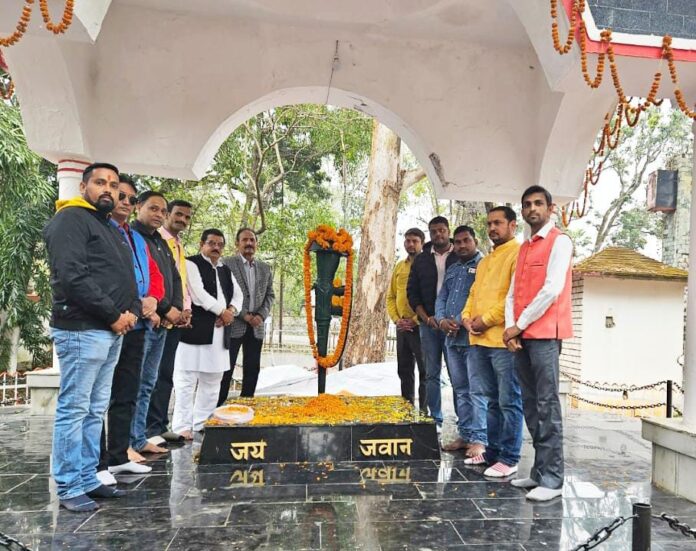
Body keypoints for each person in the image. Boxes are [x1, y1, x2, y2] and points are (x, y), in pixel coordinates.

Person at [44, 162, 140, 511]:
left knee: (94, 409)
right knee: (75, 408)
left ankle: (87, 477)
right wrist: (115, 315)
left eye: (114, 185)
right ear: (84, 186)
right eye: (100, 182)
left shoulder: (107, 225)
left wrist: (130, 311)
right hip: (83, 329)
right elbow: (72, 277)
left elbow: (124, 276)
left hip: (110, 330)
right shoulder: (71, 219)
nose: (108, 190)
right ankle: (69, 485)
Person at [503, 185, 573, 502]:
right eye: (527, 204)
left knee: (548, 406)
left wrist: (518, 325)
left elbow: (551, 290)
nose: (532, 209)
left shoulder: (561, 242)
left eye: (538, 203)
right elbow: (512, 293)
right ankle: (539, 474)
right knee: (530, 405)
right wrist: (510, 329)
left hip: (545, 335)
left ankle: (554, 479)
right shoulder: (523, 247)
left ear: (550, 208)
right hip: (522, 336)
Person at [96, 175, 165, 484]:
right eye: (120, 195)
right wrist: (130, 306)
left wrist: (153, 300)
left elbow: (153, 274)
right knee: (99, 396)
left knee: (127, 390)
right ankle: (97, 464)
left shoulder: (135, 238)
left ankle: (119, 456)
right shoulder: (101, 230)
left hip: (137, 323)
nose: (124, 201)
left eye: (129, 198)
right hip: (109, 321)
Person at [461, 206, 523, 478]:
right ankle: (493, 451)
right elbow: (473, 294)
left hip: (502, 340)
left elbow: (513, 296)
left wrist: (485, 320)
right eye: (489, 224)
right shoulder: (485, 261)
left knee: (509, 400)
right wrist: (465, 318)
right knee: (491, 400)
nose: (492, 228)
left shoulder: (519, 253)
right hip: (477, 340)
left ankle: (510, 458)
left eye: (498, 223)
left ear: (512, 225)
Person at [172, 229, 243, 437]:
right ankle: (181, 427)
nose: (216, 247)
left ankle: (202, 422)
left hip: (219, 333)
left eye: (220, 244)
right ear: (202, 243)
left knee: (213, 381)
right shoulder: (191, 263)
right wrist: (221, 311)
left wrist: (230, 311)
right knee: (186, 382)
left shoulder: (225, 269)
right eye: (212, 243)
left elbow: (238, 296)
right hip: (195, 331)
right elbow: (197, 294)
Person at [130, 191, 184, 455]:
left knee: (149, 382)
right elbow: (138, 278)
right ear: (137, 206)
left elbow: (172, 277)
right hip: (143, 321)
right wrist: (165, 308)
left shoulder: (160, 241)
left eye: (162, 211)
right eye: (153, 209)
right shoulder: (132, 237)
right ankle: (127, 442)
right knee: (135, 382)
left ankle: (138, 438)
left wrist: (175, 309)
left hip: (163, 322)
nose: (158, 215)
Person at [146, 199, 193, 446]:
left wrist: (185, 310)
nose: (182, 220)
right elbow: (157, 280)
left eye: (186, 217)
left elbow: (179, 281)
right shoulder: (156, 241)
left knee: (165, 375)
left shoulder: (176, 244)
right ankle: (147, 430)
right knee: (150, 376)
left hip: (175, 318)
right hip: (157, 316)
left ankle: (159, 425)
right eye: (177, 214)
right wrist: (167, 309)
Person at [407, 216, 458, 427]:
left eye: (442, 230)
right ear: (430, 233)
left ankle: (462, 421)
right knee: (431, 374)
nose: (439, 234)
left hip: (455, 326)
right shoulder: (421, 260)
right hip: (429, 326)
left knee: (458, 376)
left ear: (448, 231)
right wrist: (426, 318)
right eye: (434, 231)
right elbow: (412, 293)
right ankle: (436, 419)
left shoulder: (460, 254)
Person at [435, 225, 482, 450]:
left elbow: (485, 299)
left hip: (474, 338)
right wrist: (442, 320)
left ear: (476, 241)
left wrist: (466, 321)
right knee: (460, 388)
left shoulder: (484, 266)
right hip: (451, 339)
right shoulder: (453, 269)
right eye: (459, 242)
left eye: (467, 240)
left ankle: (479, 439)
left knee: (477, 389)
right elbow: (441, 298)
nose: (462, 245)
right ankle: (465, 434)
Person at [218, 228, 275, 402]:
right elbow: (223, 293)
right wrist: (243, 315)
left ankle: (246, 404)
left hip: (256, 326)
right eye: (245, 240)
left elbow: (270, 295)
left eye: (252, 240)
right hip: (234, 324)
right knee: (225, 368)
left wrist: (261, 315)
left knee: (252, 368)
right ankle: (217, 407)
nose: (249, 243)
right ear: (237, 243)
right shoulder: (226, 263)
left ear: (256, 244)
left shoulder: (265, 268)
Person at [387, 228, 426, 410]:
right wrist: (397, 320)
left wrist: (416, 320)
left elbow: (430, 298)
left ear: (422, 243)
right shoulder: (399, 266)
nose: (410, 244)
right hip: (402, 327)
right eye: (408, 240)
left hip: (421, 327)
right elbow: (391, 297)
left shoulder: (427, 265)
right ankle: (407, 409)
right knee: (404, 369)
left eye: (414, 241)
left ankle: (425, 412)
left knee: (425, 371)